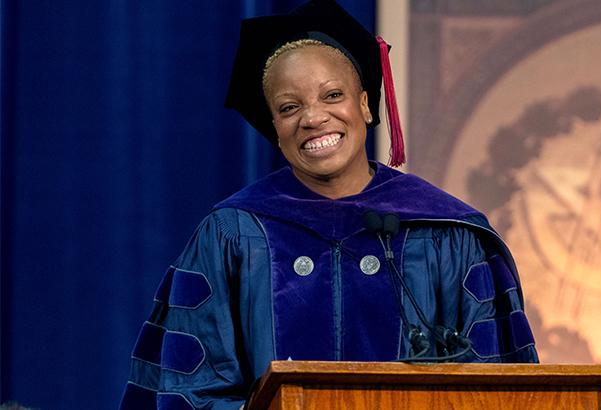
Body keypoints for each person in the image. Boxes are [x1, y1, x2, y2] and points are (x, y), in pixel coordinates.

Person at [120, 0, 538, 408]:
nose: (313, 117)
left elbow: (495, 390)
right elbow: (189, 392)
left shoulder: (448, 231)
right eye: (289, 107)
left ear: (365, 106)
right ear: (275, 127)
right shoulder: (233, 235)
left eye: (332, 95)